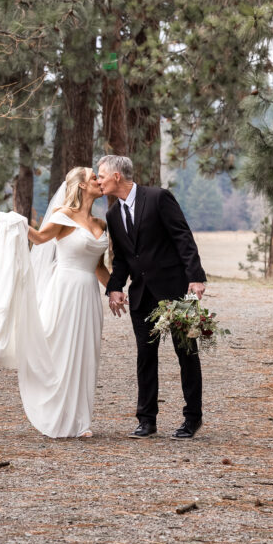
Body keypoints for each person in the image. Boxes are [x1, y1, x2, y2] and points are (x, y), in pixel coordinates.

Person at [0, 166, 109, 438]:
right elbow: (41, 238)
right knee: (60, 349)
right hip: (65, 291)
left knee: (85, 353)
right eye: (94, 176)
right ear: (81, 185)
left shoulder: (101, 224)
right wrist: (17, 223)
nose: (99, 180)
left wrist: (118, 290)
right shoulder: (63, 217)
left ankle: (81, 420)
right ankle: (55, 413)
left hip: (89, 294)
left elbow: (99, 267)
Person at [96, 155, 208, 440]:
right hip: (142, 295)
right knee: (145, 356)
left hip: (175, 289)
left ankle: (192, 419)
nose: (98, 180)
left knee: (186, 353)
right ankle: (147, 420)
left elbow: (183, 237)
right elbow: (121, 258)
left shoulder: (158, 198)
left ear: (117, 176)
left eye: (101, 175)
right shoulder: (112, 215)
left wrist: (195, 276)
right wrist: (116, 287)